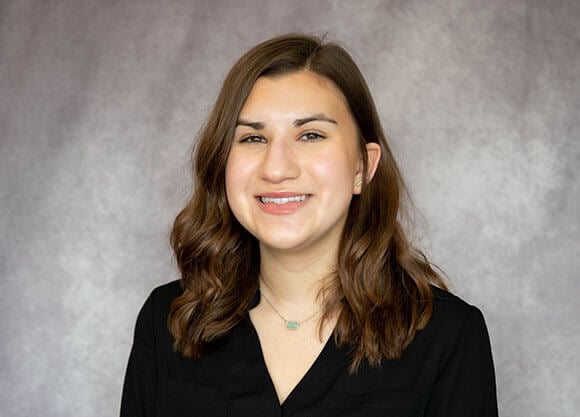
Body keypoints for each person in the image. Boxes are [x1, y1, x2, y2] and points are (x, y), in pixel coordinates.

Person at [120, 33, 498, 417]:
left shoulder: (447, 337)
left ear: (362, 167)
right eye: (252, 137)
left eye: (310, 135)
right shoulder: (168, 320)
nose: (277, 168)